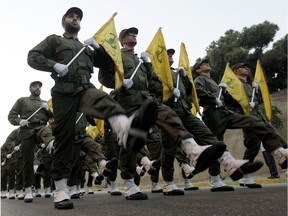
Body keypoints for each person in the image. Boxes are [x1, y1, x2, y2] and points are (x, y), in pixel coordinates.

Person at [27, 7, 157, 209]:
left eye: (78, 17)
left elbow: (107, 65)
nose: (75, 19)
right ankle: (60, 187)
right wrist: (53, 65)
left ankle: (124, 129)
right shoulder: (55, 40)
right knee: (64, 137)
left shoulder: (85, 48)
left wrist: (98, 48)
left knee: (106, 101)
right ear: (64, 21)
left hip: (84, 87)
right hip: (63, 91)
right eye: (71, 16)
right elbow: (33, 56)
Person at [98, 27, 244, 199]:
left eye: (135, 34)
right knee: (130, 143)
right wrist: (121, 82)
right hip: (128, 103)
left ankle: (192, 149)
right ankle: (129, 183)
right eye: (130, 34)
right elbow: (103, 77)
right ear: (122, 40)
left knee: (169, 115)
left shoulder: (141, 60)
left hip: (147, 100)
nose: (134, 36)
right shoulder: (117, 56)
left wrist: (148, 66)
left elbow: (153, 83)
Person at [193, 59, 287, 187]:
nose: (207, 65)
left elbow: (230, 100)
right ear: (198, 70)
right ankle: (215, 178)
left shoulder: (214, 82)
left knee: (253, 122)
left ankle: (279, 152)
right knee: (216, 144)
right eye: (203, 64)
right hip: (213, 113)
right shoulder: (200, 79)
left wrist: (225, 93)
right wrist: (213, 98)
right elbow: (197, 90)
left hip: (224, 112)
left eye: (208, 63)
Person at [229, 62, 286, 186]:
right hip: (249, 118)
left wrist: (257, 89)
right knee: (253, 146)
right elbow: (232, 102)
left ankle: (285, 163)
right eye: (243, 67)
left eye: (247, 67)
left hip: (260, 116)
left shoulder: (249, 85)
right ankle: (244, 174)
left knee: (274, 136)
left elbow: (258, 101)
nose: (247, 69)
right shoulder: (235, 85)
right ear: (235, 71)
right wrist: (244, 106)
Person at [8, 81, 55, 203]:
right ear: (30, 89)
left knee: (46, 130)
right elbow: (11, 115)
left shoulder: (44, 103)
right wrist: (19, 121)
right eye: (35, 86)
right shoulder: (22, 100)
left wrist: (48, 110)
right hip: (27, 130)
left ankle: (51, 143)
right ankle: (28, 189)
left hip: (40, 128)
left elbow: (53, 118)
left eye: (39, 86)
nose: (37, 88)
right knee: (27, 161)